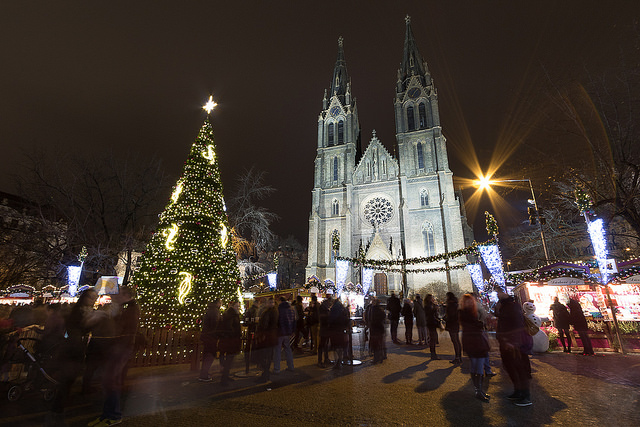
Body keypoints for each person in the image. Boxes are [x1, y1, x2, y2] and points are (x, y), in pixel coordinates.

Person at [89, 285, 140, 426]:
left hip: (121, 349)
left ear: (125, 295)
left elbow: (122, 329)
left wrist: (107, 319)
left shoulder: (130, 309)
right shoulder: (124, 308)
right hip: (117, 348)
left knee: (111, 381)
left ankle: (113, 415)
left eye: (118, 294)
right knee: (108, 381)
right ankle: (107, 414)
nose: (114, 296)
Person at [49, 288, 99, 425]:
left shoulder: (85, 311)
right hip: (72, 348)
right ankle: (57, 409)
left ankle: (58, 406)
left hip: (77, 347)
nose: (93, 300)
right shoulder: (78, 311)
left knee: (69, 379)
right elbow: (75, 328)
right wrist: (89, 322)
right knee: (67, 378)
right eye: (91, 297)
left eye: (95, 297)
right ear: (84, 298)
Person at [495, 287, 533, 407]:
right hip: (506, 343)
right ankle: (518, 391)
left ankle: (525, 396)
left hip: (514, 344)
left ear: (503, 294)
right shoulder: (505, 306)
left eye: (498, 293)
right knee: (511, 368)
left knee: (519, 369)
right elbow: (500, 317)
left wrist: (514, 342)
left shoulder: (512, 306)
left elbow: (517, 325)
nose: (497, 295)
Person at [460, 293, 491, 402]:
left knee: (478, 366)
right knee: (476, 366)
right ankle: (478, 390)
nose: (469, 303)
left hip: (477, 341)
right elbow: (471, 325)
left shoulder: (471, 312)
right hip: (473, 341)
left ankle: (479, 390)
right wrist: (478, 324)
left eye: (470, 300)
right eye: (466, 301)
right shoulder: (464, 313)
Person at [218, 300, 242, 385]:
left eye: (238, 306)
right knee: (229, 359)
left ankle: (226, 376)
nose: (238, 308)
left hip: (229, 340)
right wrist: (235, 336)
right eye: (236, 306)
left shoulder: (231, 314)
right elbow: (229, 328)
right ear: (232, 306)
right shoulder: (231, 315)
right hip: (230, 340)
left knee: (229, 359)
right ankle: (224, 379)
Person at [255, 298, 278, 382]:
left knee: (264, 355)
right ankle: (266, 373)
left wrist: (261, 333)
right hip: (272, 336)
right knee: (268, 355)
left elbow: (264, 325)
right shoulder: (275, 311)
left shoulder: (268, 312)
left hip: (267, 336)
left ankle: (265, 374)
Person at [199, 299, 222, 381]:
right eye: (220, 302)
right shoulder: (215, 311)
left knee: (207, 354)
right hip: (211, 337)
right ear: (217, 303)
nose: (221, 304)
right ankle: (204, 375)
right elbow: (215, 324)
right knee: (210, 355)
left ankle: (204, 372)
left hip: (207, 336)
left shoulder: (209, 310)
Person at [273, 297, 295, 373]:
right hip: (288, 332)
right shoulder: (291, 309)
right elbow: (294, 321)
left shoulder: (279, 309)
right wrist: (292, 331)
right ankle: (291, 366)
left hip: (280, 332)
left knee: (277, 350)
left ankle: (277, 369)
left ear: (280, 301)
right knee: (288, 349)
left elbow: (277, 321)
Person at [328, 297, 349, 369]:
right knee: (340, 347)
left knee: (335, 347)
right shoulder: (343, 309)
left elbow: (331, 319)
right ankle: (340, 361)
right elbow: (346, 319)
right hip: (341, 330)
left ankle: (337, 362)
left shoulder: (334, 309)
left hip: (334, 329)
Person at [445, 292, 462, 364]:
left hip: (452, 324)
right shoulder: (456, 304)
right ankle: (459, 356)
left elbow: (451, 315)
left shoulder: (451, 305)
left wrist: (446, 318)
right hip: (456, 324)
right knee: (457, 341)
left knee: (455, 341)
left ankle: (457, 357)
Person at [317, 291, 333, 367]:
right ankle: (320, 361)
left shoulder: (325, 309)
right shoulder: (324, 310)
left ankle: (326, 359)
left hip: (326, 329)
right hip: (324, 329)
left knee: (325, 344)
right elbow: (323, 318)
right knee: (322, 345)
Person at [369, 298, 387, 364]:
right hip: (380, 328)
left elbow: (372, 319)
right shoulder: (380, 310)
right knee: (380, 343)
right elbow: (384, 317)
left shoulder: (374, 309)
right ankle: (382, 356)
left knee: (376, 344)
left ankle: (376, 358)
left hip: (375, 328)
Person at [424, 294, 440, 360]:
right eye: (431, 298)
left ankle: (433, 354)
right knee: (432, 339)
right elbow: (430, 314)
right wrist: (435, 309)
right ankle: (433, 354)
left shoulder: (430, 305)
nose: (432, 299)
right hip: (431, 323)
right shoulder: (428, 306)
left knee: (433, 338)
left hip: (431, 323)